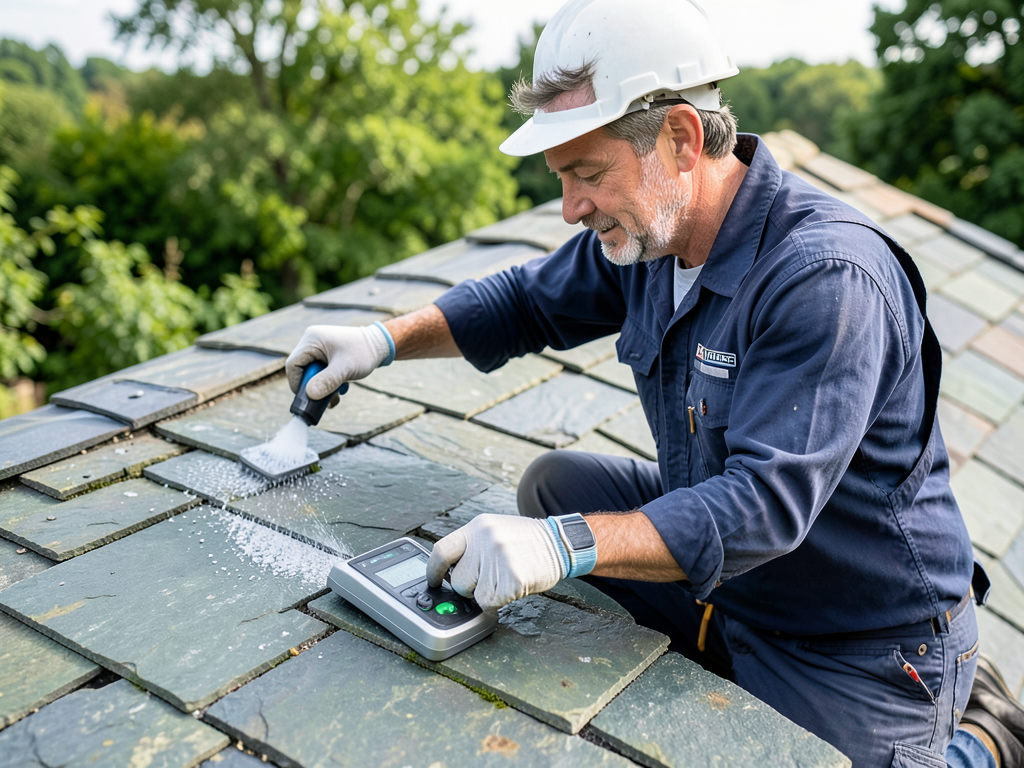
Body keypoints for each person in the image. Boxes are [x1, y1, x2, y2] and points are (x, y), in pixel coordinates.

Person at [286, 0, 1024, 764]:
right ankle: (720, 636)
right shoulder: (651, 236)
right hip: (740, 587)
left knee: (566, 532)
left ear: (681, 138)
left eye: (588, 174)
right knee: (553, 487)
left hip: (856, 640)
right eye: (563, 178)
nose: (570, 208)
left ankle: (982, 734)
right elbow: (524, 302)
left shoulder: (826, 277)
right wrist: (381, 341)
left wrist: (563, 547)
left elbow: (761, 508)